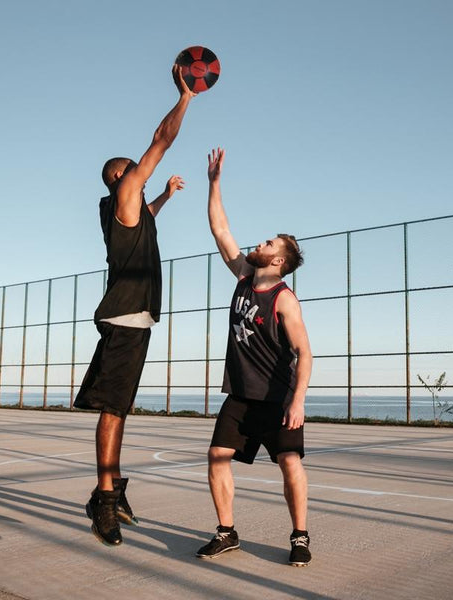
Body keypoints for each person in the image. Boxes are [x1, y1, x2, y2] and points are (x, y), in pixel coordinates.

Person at [74, 66, 195, 546]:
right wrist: (185, 98)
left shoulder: (129, 210)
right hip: (124, 318)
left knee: (119, 408)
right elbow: (161, 140)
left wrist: (164, 195)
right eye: (136, 171)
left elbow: (147, 213)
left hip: (133, 320)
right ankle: (103, 498)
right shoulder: (124, 193)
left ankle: (112, 487)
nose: (143, 174)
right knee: (112, 409)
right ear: (121, 177)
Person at [196, 148, 313, 566]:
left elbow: (305, 353)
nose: (259, 242)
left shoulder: (284, 300)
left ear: (278, 260)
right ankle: (227, 533)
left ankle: (300, 537)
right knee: (217, 457)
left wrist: (297, 401)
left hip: (277, 398)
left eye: (268, 243)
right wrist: (214, 183)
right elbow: (220, 228)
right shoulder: (244, 276)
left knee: (289, 462)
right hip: (241, 395)